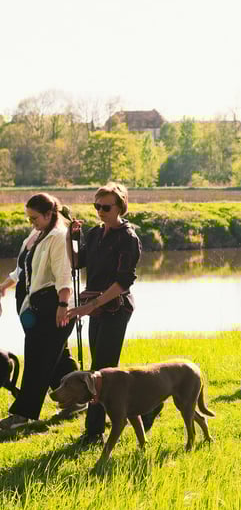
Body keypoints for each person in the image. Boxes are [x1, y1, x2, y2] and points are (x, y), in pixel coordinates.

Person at [65, 183, 160, 447]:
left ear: (121, 207)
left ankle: (94, 432)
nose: (100, 211)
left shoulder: (128, 238)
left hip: (115, 308)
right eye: (97, 206)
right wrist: (70, 238)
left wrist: (89, 305)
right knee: (102, 367)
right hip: (95, 308)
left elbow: (123, 282)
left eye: (106, 207)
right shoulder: (95, 233)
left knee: (101, 372)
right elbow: (76, 262)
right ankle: (148, 406)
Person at [0, 194, 77, 430]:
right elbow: (22, 269)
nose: (31, 222)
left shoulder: (58, 237)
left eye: (34, 218)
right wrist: (4, 286)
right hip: (34, 307)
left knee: (37, 360)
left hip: (52, 306)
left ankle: (23, 415)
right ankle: (77, 399)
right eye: (29, 218)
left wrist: (63, 307)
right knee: (56, 357)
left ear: (49, 214)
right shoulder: (36, 235)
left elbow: (64, 275)